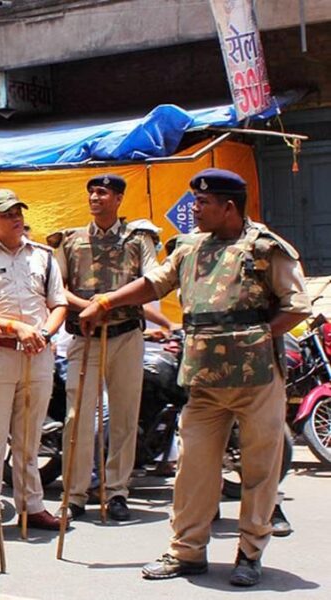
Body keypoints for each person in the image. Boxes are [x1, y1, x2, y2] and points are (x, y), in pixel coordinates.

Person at [79, 168, 311, 587]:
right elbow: (154, 283)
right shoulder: (189, 247)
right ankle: (186, 552)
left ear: (228, 207)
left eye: (202, 203)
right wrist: (106, 301)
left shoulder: (266, 248)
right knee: (193, 470)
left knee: (259, 470)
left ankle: (249, 553)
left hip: (256, 381)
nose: (194, 210)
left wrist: (256, 339)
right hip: (203, 381)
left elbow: (296, 307)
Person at [48, 174, 162, 522]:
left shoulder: (138, 239)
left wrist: (107, 304)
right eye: (92, 192)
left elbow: (153, 281)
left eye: (103, 192)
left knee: (125, 417)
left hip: (126, 335)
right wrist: (89, 307)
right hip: (85, 336)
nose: (95, 198)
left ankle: (116, 492)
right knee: (77, 418)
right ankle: (74, 493)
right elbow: (57, 287)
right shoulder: (70, 240)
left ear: (119, 198)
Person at [0, 189, 67, 543]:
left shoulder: (43, 257)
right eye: (7, 214)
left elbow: (58, 304)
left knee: (30, 438)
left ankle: (32, 505)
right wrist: (15, 329)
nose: (16, 219)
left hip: (38, 354)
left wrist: (43, 333)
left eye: (18, 212)